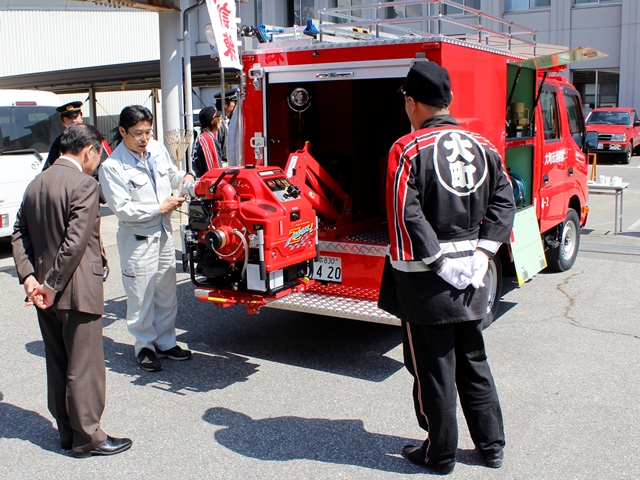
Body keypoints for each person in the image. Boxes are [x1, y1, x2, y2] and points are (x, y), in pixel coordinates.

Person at [378, 62, 516, 475]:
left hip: (425, 282)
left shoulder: (407, 149)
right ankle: (491, 447)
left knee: (433, 369)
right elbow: (505, 199)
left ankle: (439, 453)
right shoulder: (483, 144)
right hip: (473, 275)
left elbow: (405, 211)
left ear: (411, 102)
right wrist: (484, 252)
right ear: (450, 100)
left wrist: (437, 260)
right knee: (473, 359)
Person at [11, 123, 132, 458]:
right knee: (85, 367)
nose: (97, 161)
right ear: (88, 151)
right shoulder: (84, 184)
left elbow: (19, 233)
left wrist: (30, 278)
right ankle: (88, 437)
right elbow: (75, 243)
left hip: (43, 295)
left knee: (58, 363)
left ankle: (67, 432)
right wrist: (50, 284)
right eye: (98, 155)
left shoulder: (38, 182)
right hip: (75, 290)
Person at [99, 105, 195, 372]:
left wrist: (184, 176)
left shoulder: (155, 149)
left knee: (167, 293)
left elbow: (169, 174)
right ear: (122, 131)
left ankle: (166, 341)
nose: (143, 138)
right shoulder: (112, 167)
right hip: (138, 239)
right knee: (140, 296)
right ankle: (144, 345)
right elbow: (123, 209)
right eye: (137, 133)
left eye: (148, 131)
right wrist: (159, 208)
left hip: (164, 234)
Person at [193, 105, 223, 177]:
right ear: (213, 121)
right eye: (218, 117)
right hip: (207, 183)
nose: (221, 120)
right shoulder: (207, 139)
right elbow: (213, 170)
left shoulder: (202, 137)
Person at [215, 88, 239, 166]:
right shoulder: (218, 123)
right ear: (225, 104)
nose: (236, 105)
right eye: (234, 102)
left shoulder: (228, 121)